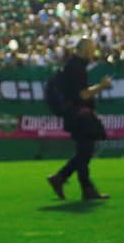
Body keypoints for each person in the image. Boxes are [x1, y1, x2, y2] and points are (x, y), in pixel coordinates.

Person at [46, 38, 112, 201]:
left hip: (74, 113)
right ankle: (75, 183)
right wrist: (101, 86)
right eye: (92, 50)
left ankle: (68, 180)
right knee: (85, 151)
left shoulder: (72, 66)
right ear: (84, 50)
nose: (93, 53)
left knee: (85, 151)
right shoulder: (76, 68)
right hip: (78, 114)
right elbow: (82, 94)